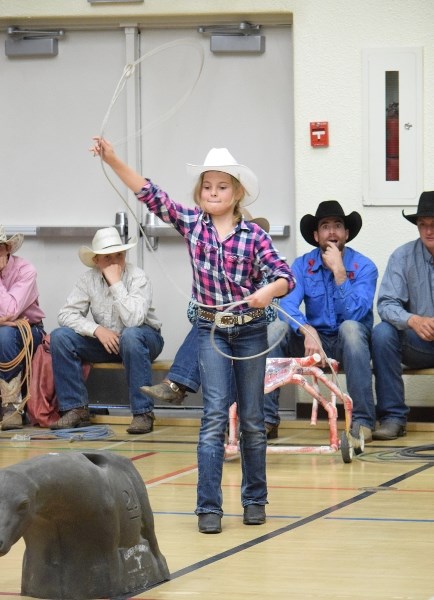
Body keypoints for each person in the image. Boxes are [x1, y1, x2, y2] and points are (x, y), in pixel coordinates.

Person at [91, 138, 295, 534]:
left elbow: (285, 276)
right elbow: (151, 195)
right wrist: (113, 158)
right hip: (210, 330)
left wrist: (267, 292)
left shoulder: (254, 236)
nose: (213, 193)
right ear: (200, 193)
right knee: (214, 415)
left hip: (250, 333)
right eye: (207, 187)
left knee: (252, 418)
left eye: (221, 187)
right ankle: (209, 507)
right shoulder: (191, 224)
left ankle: (255, 499)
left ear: (236, 193)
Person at [139, 213, 287, 440]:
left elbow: (270, 313)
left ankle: (177, 384)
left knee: (217, 331)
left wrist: (244, 310)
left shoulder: (268, 269)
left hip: (254, 330)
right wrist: (216, 310)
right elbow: (192, 311)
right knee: (205, 325)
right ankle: (182, 388)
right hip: (220, 331)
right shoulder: (213, 269)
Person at [276, 200, 378, 443]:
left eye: (338, 226)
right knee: (276, 329)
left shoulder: (365, 267)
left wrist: (340, 272)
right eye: (325, 226)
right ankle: (266, 420)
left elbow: (357, 315)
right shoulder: (302, 265)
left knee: (351, 328)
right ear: (316, 235)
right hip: (314, 343)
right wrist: (306, 329)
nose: (332, 232)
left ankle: (362, 422)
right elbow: (286, 305)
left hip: (349, 345)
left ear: (347, 233)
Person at [50, 227, 164, 435]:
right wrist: (97, 330)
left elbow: (134, 320)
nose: (114, 262)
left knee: (130, 335)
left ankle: (142, 412)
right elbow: (65, 314)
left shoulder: (138, 277)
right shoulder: (88, 279)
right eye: (107, 257)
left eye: (118, 255)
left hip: (144, 338)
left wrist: (116, 283)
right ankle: (76, 408)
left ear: (125, 255)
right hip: (108, 341)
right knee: (60, 337)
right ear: (96, 260)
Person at [371, 191, 434, 440]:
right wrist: (413, 320)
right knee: (382, 333)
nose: (429, 230)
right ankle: (393, 417)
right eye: (423, 225)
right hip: (418, 343)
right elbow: (386, 303)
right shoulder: (402, 256)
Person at [0, 225, 46, 431]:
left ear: (8, 247)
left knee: (5, 334)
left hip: (30, 331)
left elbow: (10, 308)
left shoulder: (26, 270)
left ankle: (12, 406)